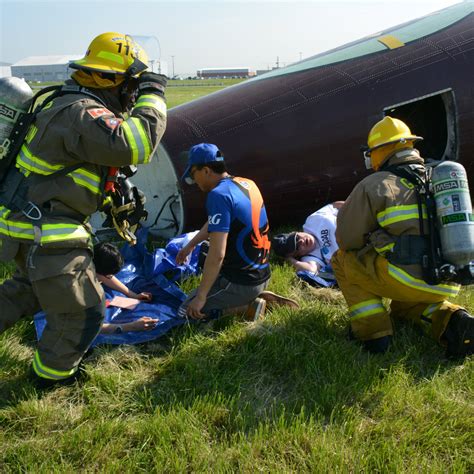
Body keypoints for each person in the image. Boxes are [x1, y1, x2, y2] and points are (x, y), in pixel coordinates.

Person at [0, 32, 168, 387]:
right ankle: (52, 379)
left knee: (27, 291)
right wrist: (154, 94)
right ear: (112, 80)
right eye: (133, 86)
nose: (133, 95)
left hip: (28, 224)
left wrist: (112, 197)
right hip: (48, 233)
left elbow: (67, 175)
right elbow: (136, 145)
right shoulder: (82, 111)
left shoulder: (68, 105)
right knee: (83, 312)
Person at [331, 116, 474, 357]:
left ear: (379, 151)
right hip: (448, 279)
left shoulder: (374, 184)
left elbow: (346, 239)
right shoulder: (440, 178)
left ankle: (373, 334)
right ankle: (454, 321)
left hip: (405, 278)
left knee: (342, 259)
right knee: (403, 307)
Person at [176, 143, 297, 322]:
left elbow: (217, 255)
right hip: (262, 274)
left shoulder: (218, 195)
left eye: (193, 174)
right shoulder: (246, 183)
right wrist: (190, 245)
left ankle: (245, 307)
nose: (194, 181)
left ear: (206, 170)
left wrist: (201, 297)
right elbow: (215, 223)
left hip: (241, 283)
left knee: (185, 313)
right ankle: (252, 296)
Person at [272, 202, 344, 287]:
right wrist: (289, 259)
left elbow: (334, 206)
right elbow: (312, 270)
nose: (301, 241)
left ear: (296, 232)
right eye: (297, 247)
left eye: (297, 238)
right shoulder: (311, 257)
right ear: (298, 255)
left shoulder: (312, 220)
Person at [92, 242, 158, 334]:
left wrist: (133, 295)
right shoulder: (78, 290)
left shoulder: (89, 262)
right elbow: (91, 327)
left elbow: (104, 276)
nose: (108, 278)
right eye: (108, 275)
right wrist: (132, 326)